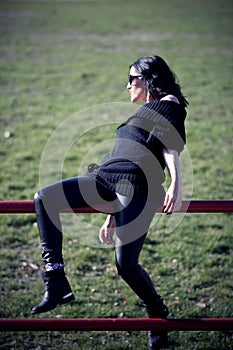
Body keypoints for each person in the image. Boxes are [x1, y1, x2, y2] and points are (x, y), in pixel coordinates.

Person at [32, 55, 188, 350]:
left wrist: (177, 186)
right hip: (106, 178)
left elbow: (169, 146)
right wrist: (111, 213)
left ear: (148, 77)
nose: (127, 85)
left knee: (126, 265)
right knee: (45, 197)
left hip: (137, 185)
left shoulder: (169, 103)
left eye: (132, 78)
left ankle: (156, 313)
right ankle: (56, 281)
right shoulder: (146, 110)